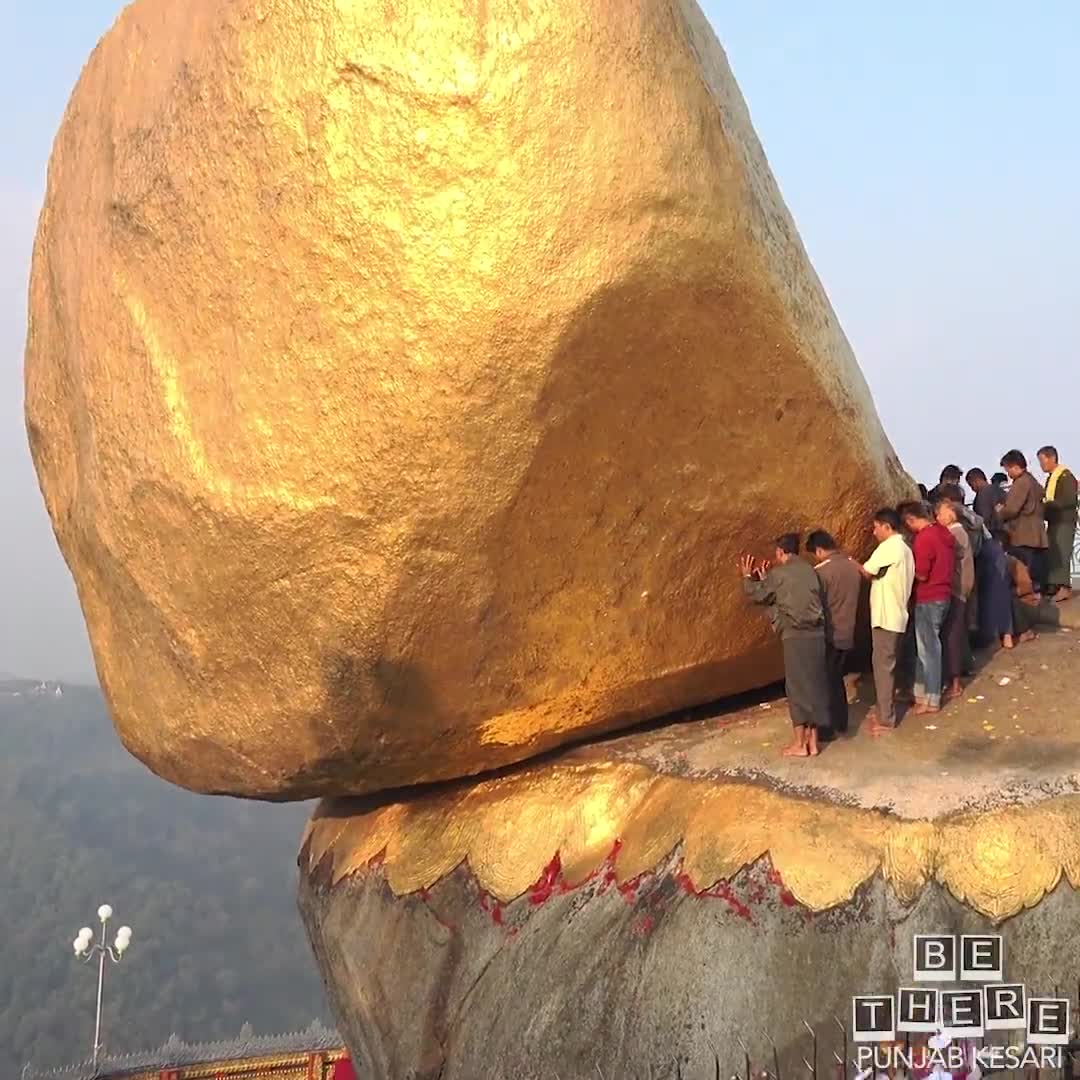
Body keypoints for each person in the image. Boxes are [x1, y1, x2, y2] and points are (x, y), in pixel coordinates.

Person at [740, 534, 831, 757]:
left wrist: (746, 577)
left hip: (796, 637)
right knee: (814, 685)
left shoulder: (779, 573)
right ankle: (813, 742)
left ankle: (800, 744)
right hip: (817, 635)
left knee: (797, 687)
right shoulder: (811, 571)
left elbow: (758, 594)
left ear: (781, 552)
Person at [858, 508, 915, 734]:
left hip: (886, 617)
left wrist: (851, 563)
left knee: (883, 669)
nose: (874, 532)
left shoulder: (890, 547)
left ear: (886, 526)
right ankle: (887, 711)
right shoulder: (906, 550)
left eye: (876, 527)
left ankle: (886, 718)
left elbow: (867, 571)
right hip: (897, 615)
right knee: (888, 666)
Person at [898, 501, 955, 714]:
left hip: (929, 597)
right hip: (944, 595)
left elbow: (922, 573)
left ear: (911, 520)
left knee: (928, 650)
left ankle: (931, 698)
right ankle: (921, 694)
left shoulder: (924, 539)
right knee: (929, 646)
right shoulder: (943, 533)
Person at [806, 529, 863, 735]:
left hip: (829, 633)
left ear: (819, 550)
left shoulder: (821, 572)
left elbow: (815, 605)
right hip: (848, 630)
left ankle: (826, 728)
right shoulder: (851, 566)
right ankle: (841, 722)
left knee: (825, 682)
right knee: (836, 679)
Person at [935, 498, 975, 701]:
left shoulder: (955, 534)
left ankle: (955, 682)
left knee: (952, 636)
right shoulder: (960, 533)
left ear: (951, 514)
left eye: (940, 513)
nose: (937, 517)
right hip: (961, 589)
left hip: (957, 590)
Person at [997, 450, 1047, 587]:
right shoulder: (1032, 480)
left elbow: (1012, 509)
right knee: (1036, 574)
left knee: (1024, 574)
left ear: (1014, 466)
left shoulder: (1021, 483)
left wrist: (1000, 511)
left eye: (1008, 469)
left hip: (1023, 534)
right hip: (1036, 534)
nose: (1008, 474)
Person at [1037, 445, 1077, 603]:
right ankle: (1053, 585)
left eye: (1042, 461)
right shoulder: (1051, 478)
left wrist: (1048, 505)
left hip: (1064, 521)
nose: (1041, 465)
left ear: (1052, 458)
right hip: (1054, 522)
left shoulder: (1066, 476)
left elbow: (1068, 500)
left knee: (1062, 551)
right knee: (1053, 553)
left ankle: (1064, 587)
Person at [1006, 552, 1040, 643]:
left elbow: (1026, 587)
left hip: (1027, 604)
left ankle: (1025, 632)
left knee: (1010, 600)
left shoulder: (1013, 562)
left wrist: (1007, 592)